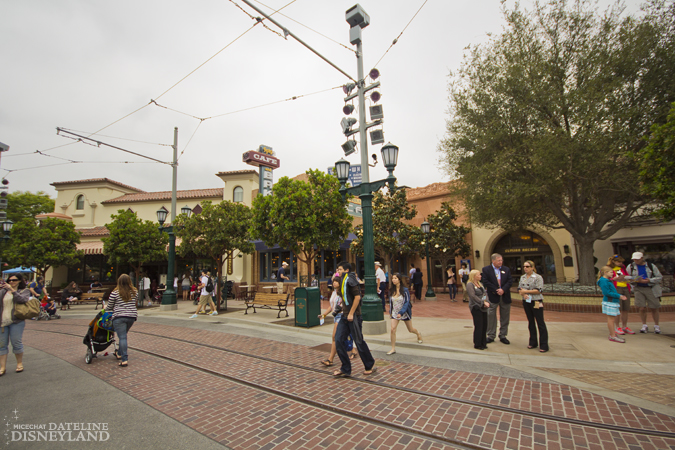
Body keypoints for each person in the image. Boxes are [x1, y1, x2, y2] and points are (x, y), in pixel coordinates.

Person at [332, 261, 376, 377]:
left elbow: (357, 297)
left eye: (340, 269)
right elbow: (344, 298)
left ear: (346, 270)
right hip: (344, 316)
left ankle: (369, 364)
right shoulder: (342, 280)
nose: (338, 271)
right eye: (337, 269)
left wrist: (351, 313)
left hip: (354, 316)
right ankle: (345, 368)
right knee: (338, 340)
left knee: (358, 341)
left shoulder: (351, 280)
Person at [318, 278, 357, 366]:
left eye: (336, 282)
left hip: (341, 316)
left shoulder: (343, 293)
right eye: (333, 282)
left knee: (335, 337)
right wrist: (323, 315)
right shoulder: (334, 292)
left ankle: (330, 359)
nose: (334, 283)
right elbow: (331, 307)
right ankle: (352, 350)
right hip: (335, 316)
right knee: (341, 337)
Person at [104, 274, 138, 367]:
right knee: (123, 335)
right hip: (131, 316)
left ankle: (124, 359)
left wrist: (105, 308)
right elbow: (135, 303)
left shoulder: (115, 293)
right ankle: (119, 353)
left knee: (122, 337)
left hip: (119, 317)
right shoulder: (134, 292)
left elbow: (110, 307)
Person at [625, 252, 663, 334]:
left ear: (642, 258)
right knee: (641, 307)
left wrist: (649, 280)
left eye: (638, 259)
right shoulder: (631, 266)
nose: (636, 261)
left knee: (654, 307)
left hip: (650, 288)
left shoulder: (651, 266)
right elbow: (627, 277)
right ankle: (644, 325)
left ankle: (656, 325)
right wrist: (634, 280)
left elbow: (659, 277)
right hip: (638, 288)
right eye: (635, 259)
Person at [0, 274, 31, 375]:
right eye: (9, 280)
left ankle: (19, 363)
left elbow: (22, 300)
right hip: (3, 321)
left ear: (19, 281)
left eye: (14, 280)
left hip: (16, 321)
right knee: (2, 345)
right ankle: (2, 367)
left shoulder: (24, 291)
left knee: (16, 342)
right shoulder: (3, 291)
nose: (11, 282)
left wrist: (12, 291)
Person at [386, 273, 422, 355]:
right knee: (392, 329)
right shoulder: (391, 290)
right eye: (392, 278)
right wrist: (391, 312)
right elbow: (391, 303)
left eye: (395, 278)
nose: (393, 280)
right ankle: (393, 348)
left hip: (404, 312)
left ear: (399, 279)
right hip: (395, 312)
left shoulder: (405, 290)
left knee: (410, 329)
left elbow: (406, 302)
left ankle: (418, 334)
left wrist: (401, 312)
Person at [518, 260, 549, 352]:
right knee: (530, 321)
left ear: (532, 267)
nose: (525, 268)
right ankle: (533, 342)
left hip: (536, 301)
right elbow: (520, 288)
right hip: (526, 301)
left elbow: (538, 290)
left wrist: (526, 292)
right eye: (524, 266)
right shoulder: (523, 277)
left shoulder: (538, 277)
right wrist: (523, 294)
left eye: (527, 266)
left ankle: (543, 344)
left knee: (540, 322)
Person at [482, 253, 513, 345]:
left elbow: (510, 281)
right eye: (499, 260)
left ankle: (503, 335)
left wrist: (503, 289)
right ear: (493, 261)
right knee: (491, 316)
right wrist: (496, 290)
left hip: (505, 296)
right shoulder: (486, 270)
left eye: (501, 260)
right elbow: (486, 281)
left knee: (505, 317)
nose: (501, 262)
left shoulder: (506, 269)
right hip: (493, 296)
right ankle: (491, 335)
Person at [598, 266, 627, 343]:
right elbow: (606, 292)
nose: (612, 274)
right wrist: (619, 296)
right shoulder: (604, 281)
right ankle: (612, 335)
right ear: (605, 273)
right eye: (611, 272)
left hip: (612, 301)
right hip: (610, 301)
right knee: (611, 319)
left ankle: (613, 334)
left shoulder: (606, 280)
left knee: (612, 319)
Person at [607, 255, 634, 335]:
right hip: (616, 288)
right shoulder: (609, 269)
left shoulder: (623, 268)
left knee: (625, 308)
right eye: (619, 262)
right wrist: (613, 279)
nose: (621, 263)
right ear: (614, 261)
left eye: (621, 262)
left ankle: (624, 326)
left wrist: (629, 278)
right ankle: (617, 326)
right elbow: (605, 279)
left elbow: (626, 276)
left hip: (625, 287)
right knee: (618, 308)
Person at [466, 269, 490, 350]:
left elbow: (484, 293)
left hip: (483, 307)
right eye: (479, 275)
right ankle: (477, 343)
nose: (480, 276)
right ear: (474, 276)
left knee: (484, 325)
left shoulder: (480, 284)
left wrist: (486, 301)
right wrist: (482, 302)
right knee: (479, 325)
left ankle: (483, 342)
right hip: (476, 307)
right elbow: (472, 296)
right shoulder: (470, 284)